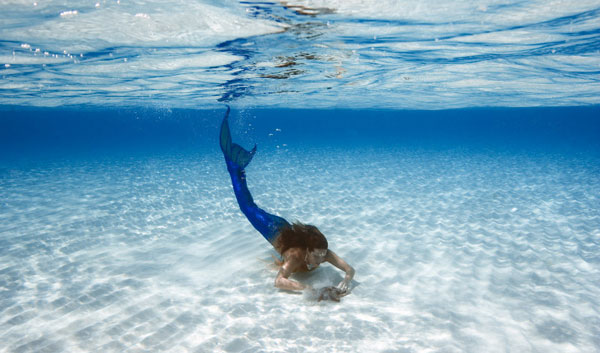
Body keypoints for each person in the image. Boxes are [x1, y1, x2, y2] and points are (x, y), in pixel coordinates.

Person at [219, 106, 355, 297]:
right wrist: (311, 290)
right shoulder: (295, 256)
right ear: (307, 251)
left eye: (323, 255)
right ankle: (235, 168)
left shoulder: (323, 253)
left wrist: (345, 281)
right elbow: (279, 281)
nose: (320, 260)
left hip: (287, 229)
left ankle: (238, 167)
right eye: (316, 255)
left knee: (252, 206)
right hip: (273, 229)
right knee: (247, 207)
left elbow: (350, 270)